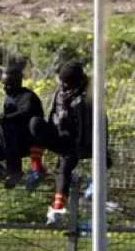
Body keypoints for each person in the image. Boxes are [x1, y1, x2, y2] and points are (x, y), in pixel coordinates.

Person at [29, 61, 111, 224]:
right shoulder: (60, 93)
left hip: (79, 143)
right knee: (35, 123)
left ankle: (58, 208)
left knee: (65, 168)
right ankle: (37, 168)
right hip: (60, 136)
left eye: (68, 82)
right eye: (63, 82)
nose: (64, 85)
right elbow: (53, 115)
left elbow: (98, 124)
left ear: (78, 81)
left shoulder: (89, 96)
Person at [0, 63, 46, 189]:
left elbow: (24, 114)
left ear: (17, 83)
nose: (5, 88)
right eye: (4, 84)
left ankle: (15, 171)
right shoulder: (9, 99)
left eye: (8, 84)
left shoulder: (28, 97)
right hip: (12, 141)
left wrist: (3, 119)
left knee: (5, 127)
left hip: (28, 140)